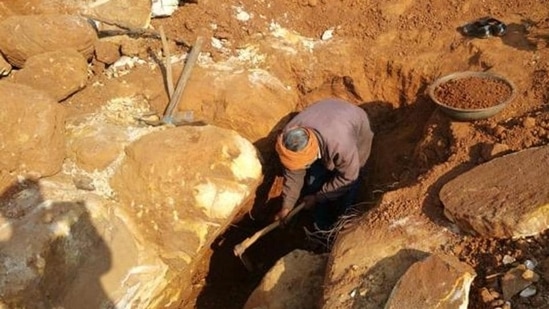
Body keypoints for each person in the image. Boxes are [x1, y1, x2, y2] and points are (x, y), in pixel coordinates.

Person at [274, 98, 374, 231]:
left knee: (350, 186)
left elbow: (348, 177)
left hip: (355, 124)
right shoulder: (288, 139)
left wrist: (318, 197)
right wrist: (287, 205)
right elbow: (293, 173)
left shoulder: (342, 145)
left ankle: (342, 222)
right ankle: (322, 227)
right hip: (326, 115)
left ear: (313, 154)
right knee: (313, 181)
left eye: (304, 164)